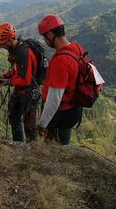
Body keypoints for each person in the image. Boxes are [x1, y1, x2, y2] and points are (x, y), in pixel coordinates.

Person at [36, 14, 83, 145]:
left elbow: (54, 99)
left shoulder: (60, 61)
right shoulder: (76, 48)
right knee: (63, 147)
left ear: (50, 35)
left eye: (44, 37)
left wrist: (42, 124)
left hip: (60, 115)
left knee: (54, 153)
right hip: (73, 110)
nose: (44, 41)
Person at [0, 22, 40, 142]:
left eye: (2, 44)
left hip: (30, 91)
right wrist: (4, 76)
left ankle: (33, 152)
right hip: (20, 90)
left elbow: (25, 79)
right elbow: (16, 70)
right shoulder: (15, 50)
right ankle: (18, 145)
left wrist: (9, 81)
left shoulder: (24, 52)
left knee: (29, 126)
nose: (1, 47)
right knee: (13, 116)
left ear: (8, 40)